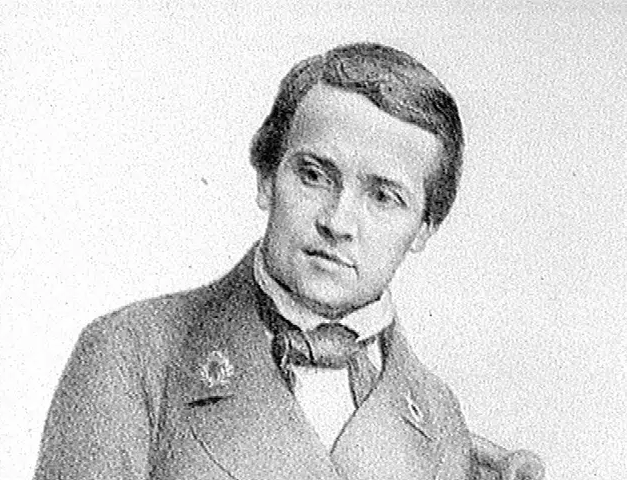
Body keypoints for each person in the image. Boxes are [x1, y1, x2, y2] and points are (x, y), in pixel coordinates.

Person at [34, 43, 543, 480]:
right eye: (315, 175)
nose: (338, 222)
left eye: (383, 197)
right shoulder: (131, 354)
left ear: (425, 228)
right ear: (266, 177)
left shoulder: (438, 416)